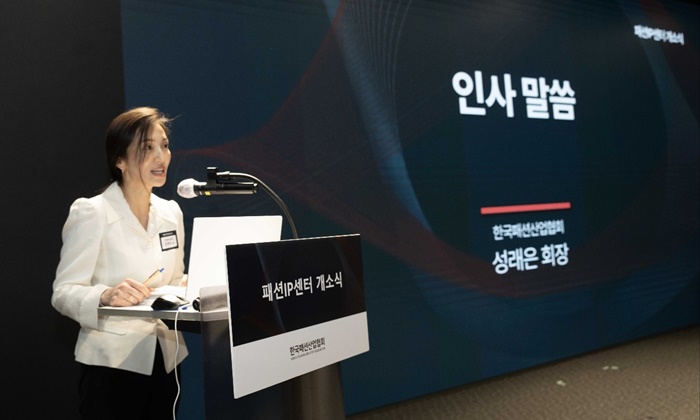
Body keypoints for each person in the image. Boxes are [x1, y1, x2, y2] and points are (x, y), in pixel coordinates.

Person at [51, 107, 188, 419]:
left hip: (166, 360)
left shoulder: (171, 212)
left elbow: (174, 280)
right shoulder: (92, 212)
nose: (161, 157)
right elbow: (63, 292)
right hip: (111, 365)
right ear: (119, 160)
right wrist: (105, 295)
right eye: (147, 148)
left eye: (164, 145)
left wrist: (193, 285)